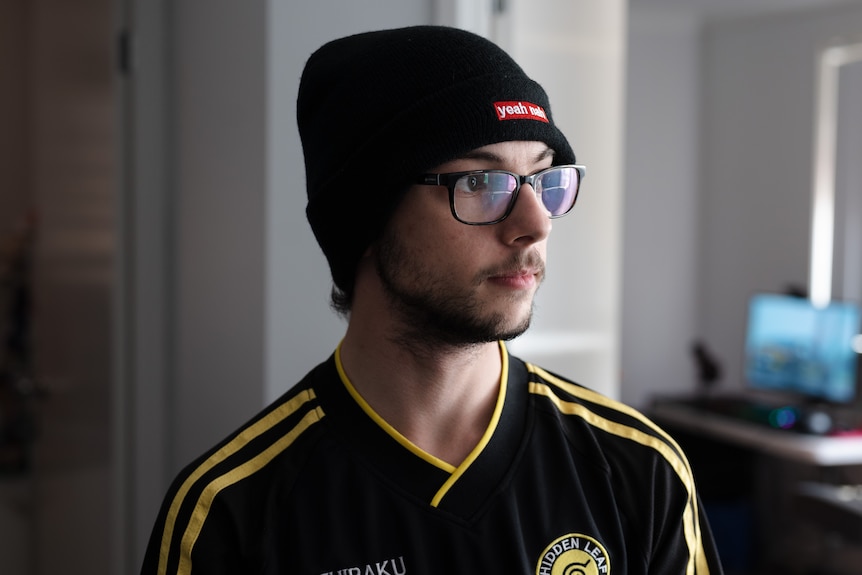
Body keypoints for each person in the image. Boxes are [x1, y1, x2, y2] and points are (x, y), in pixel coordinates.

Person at [142, 25, 724, 574]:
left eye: (545, 179)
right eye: (479, 182)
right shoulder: (231, 511)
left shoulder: (639, 470)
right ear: (365, 218)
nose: (535, 223)